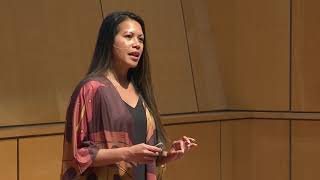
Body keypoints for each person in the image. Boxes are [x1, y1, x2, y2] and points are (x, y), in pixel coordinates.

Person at [61, 11, 197, 180]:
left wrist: (165, 156)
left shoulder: (139, 90)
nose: (137, 44)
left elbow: (139, 151)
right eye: (129, 36)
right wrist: (127, 153)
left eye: (141, 39)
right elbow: (76, 155)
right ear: (109, 42)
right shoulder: (91, 89)